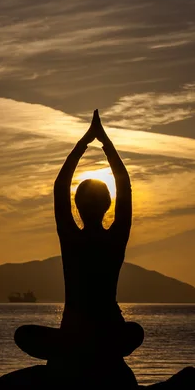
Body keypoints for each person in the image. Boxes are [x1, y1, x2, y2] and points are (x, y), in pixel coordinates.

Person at [15, 110, 144, 375]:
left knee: (24, 335)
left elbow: (60, 187)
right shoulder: (113, 238)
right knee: (134, 333)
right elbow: (124, 186)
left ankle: (78, 351)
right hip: (104, 334)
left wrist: (85, 143)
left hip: (77, 335)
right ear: (108, 205)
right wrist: (104, 143)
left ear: (78, 206)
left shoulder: (73, 237)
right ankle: (93, 351)